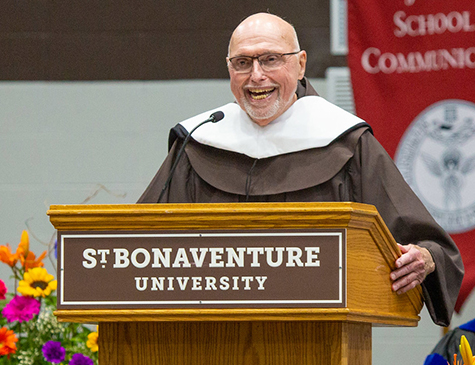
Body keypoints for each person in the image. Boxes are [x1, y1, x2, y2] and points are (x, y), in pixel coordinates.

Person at [138, 12, 464, 327]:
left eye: (270, 59)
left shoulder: (344, 141)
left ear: (301, 63)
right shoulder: (200, 141)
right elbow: (136, 244)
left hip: (323, 346)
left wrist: (426, 258)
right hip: (206, 340)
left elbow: (426, 244)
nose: (256, 76)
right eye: (242, 63)